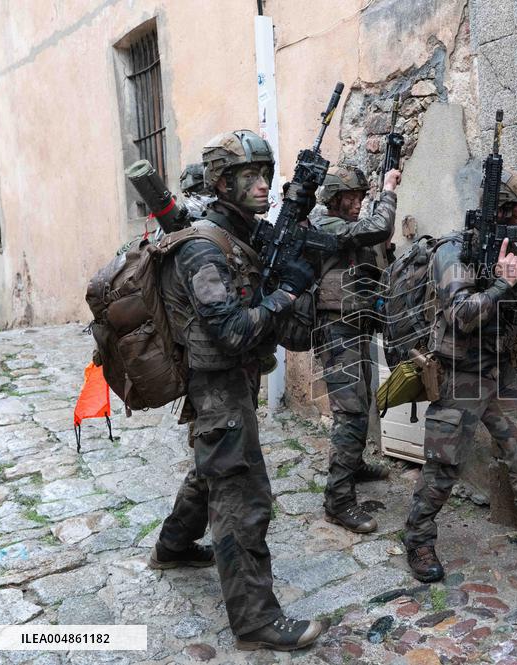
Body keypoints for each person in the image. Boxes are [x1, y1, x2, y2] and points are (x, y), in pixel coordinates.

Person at [150, 130, 326, 651]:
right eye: (249, 176)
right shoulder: (204, 249)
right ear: (222, 183)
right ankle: (255, 621)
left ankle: (174, 546)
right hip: (219, 387)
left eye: (266, 174)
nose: (262, 185)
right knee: (242, 496)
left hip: (234, 387)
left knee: (211, 470)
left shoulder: (246, 235)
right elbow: (229, 332)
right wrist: (286, 294)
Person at [403, 168, 517, 583]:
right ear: (506, 209)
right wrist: (501, 284)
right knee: (444, 463)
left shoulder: (516, 258)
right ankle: (417, 538)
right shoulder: (454, 252)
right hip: (460, 373)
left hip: (501, 372)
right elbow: (461, 314)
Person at [313, 165, 401, 534]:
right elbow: (376, 228)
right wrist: (389, 191)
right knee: (350, 411)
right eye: (351, 197)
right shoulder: (325, 225)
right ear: (333, 199)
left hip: (356, 326)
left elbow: (378, 242)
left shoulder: (346, 228)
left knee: (362, 403)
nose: (357, 203)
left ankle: (354, 464)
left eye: (362, 197)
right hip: (336, 331)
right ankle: (339, 500)